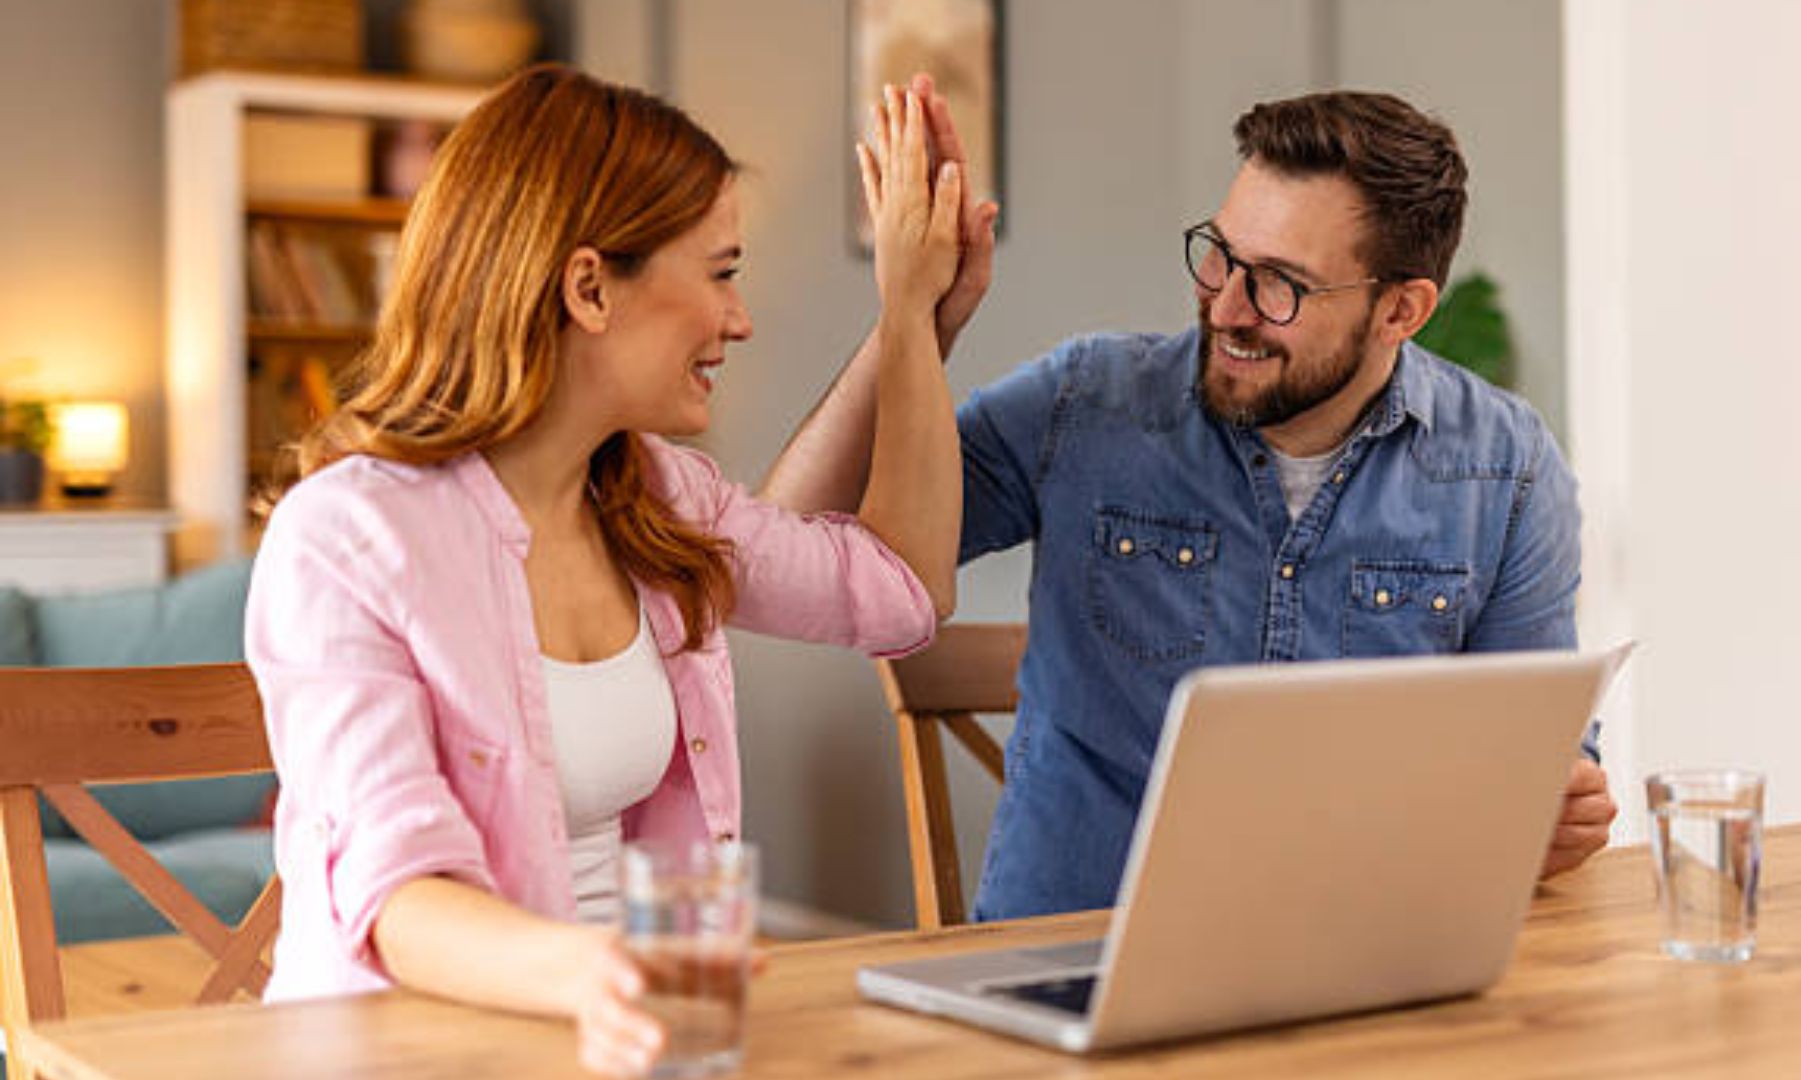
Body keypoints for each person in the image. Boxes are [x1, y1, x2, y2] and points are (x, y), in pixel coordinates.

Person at [245, 65, 963, 1076]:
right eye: (720, 273)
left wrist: (913, 316)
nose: (741, 318)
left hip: (628, 1043)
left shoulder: (659, 500)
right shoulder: (348, 536)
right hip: (415, 1053)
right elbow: (396, 893)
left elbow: (899, 594)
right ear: (588, 286)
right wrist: (600, 972)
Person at [762, 87, 1617, 922]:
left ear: (1402, 310)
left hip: (1356, 972)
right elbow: (783, 553)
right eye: (1221, 253)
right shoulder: (1088, 403)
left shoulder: (1505, 469)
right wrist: (914, 321)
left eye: (1279, 283)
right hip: (1072, 960)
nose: (1226, 305)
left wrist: (1557, 809)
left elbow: (1537, 756)